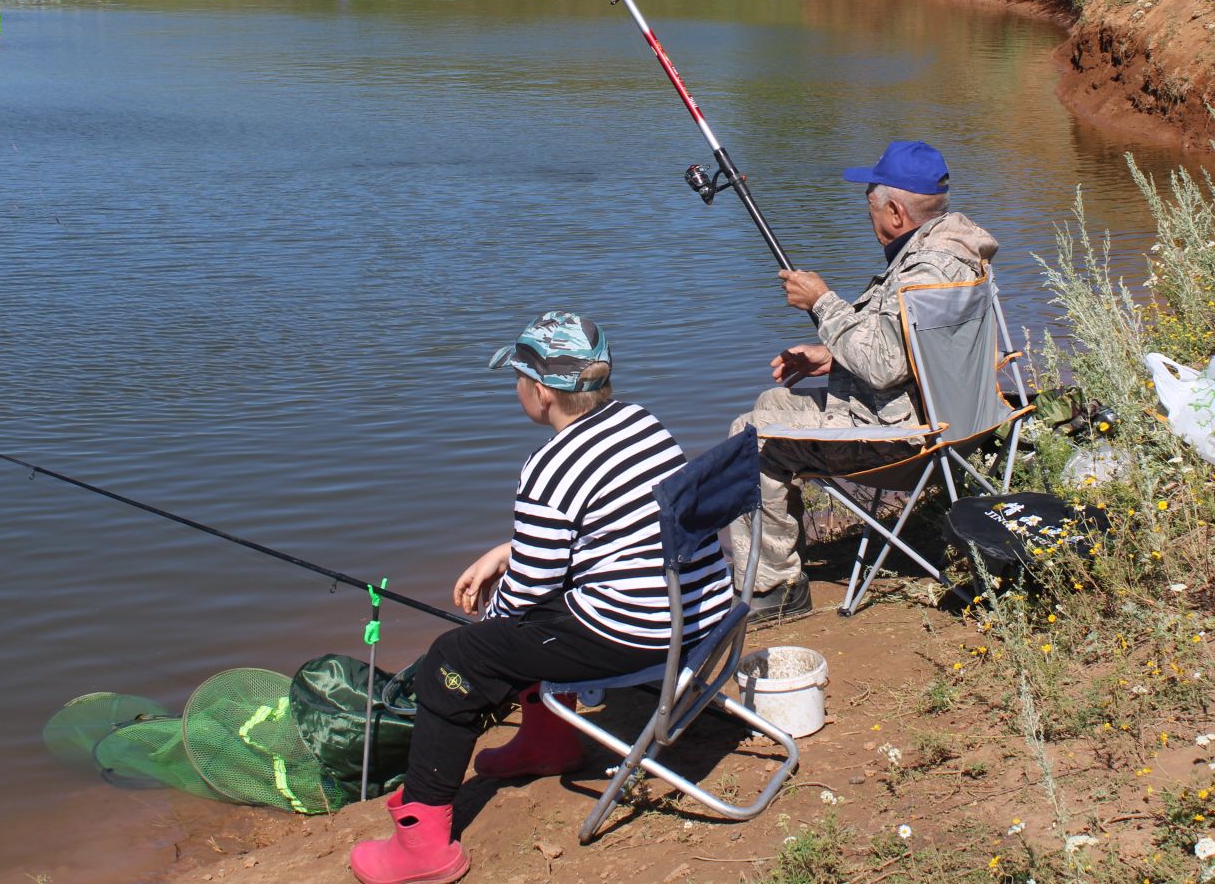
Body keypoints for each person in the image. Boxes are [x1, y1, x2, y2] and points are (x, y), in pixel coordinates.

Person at [348, 311, 732, 884]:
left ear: (543, 392)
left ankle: (423, 844)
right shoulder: (637, 421)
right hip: (703, 612)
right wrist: (506, 552)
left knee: (456, 658)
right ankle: (547, 742)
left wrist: (486, 637)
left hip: (639, 632)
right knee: (532, 621)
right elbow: (605, 525)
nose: (516, 389)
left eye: (518, 378)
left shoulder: (548, 466)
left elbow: (527, 595)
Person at [727, 140, 998, 622]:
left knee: (752, 438)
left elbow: (882, 366)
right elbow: (915, 352)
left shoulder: (922, 274)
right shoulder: (957, 255)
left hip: (906, 442)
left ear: (895, 212)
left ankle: (776, 587)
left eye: (869, 203)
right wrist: (831, 356)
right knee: (773, 398)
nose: (866, 214)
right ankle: (780, 557)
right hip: (960, 424)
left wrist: (821, 301)